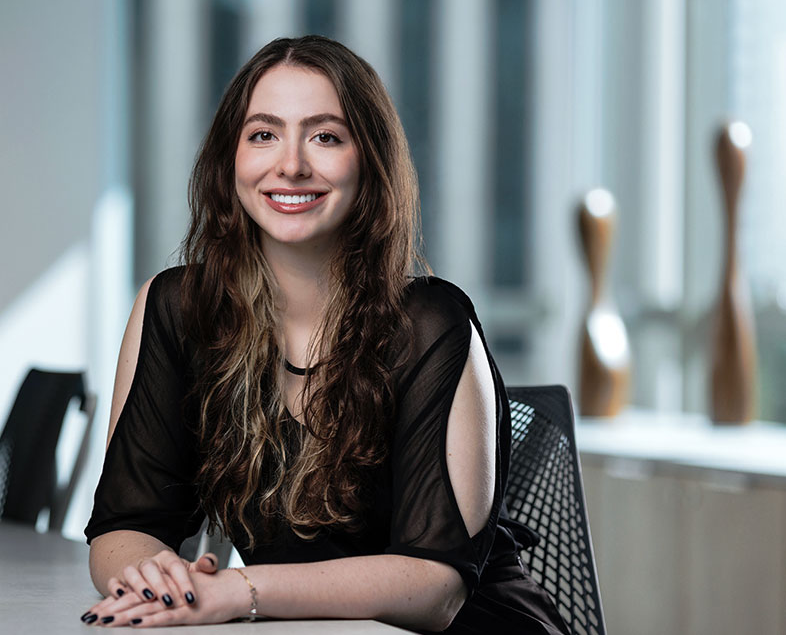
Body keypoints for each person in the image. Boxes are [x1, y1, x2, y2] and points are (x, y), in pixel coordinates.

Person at [81, 35, 569, 634]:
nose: (290, 164)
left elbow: (434, 587)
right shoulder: (180, 308)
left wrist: (239, 590)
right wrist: (156, 581)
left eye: (325, 136)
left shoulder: (429, 324)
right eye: (263, 134)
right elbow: (124, 523)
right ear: (228, 159)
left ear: (369, 160)